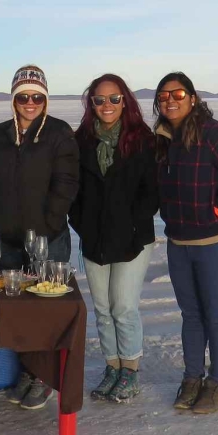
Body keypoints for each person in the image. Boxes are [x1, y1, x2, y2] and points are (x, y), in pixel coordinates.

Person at [153, 71, 218, 415]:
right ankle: (192, 379)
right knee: (192, 315)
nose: (171, 99)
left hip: (217, 241)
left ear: (193, 98)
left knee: (215, 313)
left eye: (178, 93)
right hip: (179, 242)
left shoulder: (213, 133)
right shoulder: (163, 138)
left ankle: (217, 384)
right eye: (164, 95)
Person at [0, 63, 78, 410]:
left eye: (36, 97)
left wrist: (49, 223)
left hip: (47, 239)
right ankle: (27, 369)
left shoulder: (58, 133)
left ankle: (44, 376)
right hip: (6, 239)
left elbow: (66, 183)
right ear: (13, 98)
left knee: (47, 307)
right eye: (23, 96)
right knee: (17, 310)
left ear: (45, 99)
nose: (29, 102)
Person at [68, 73, 158, 405]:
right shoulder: (81, 141)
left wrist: (132, 225)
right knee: (103, 308)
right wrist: (81, 223)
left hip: (133, 238)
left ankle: (130, 370)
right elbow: (74, 192)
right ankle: (112, 366)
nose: (107, 105)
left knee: (123, 306)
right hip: (95, 236)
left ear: (126, 101)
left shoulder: (142, 140)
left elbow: (152, 193)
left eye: (114, 99)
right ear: (91, 104)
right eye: (100, 100)